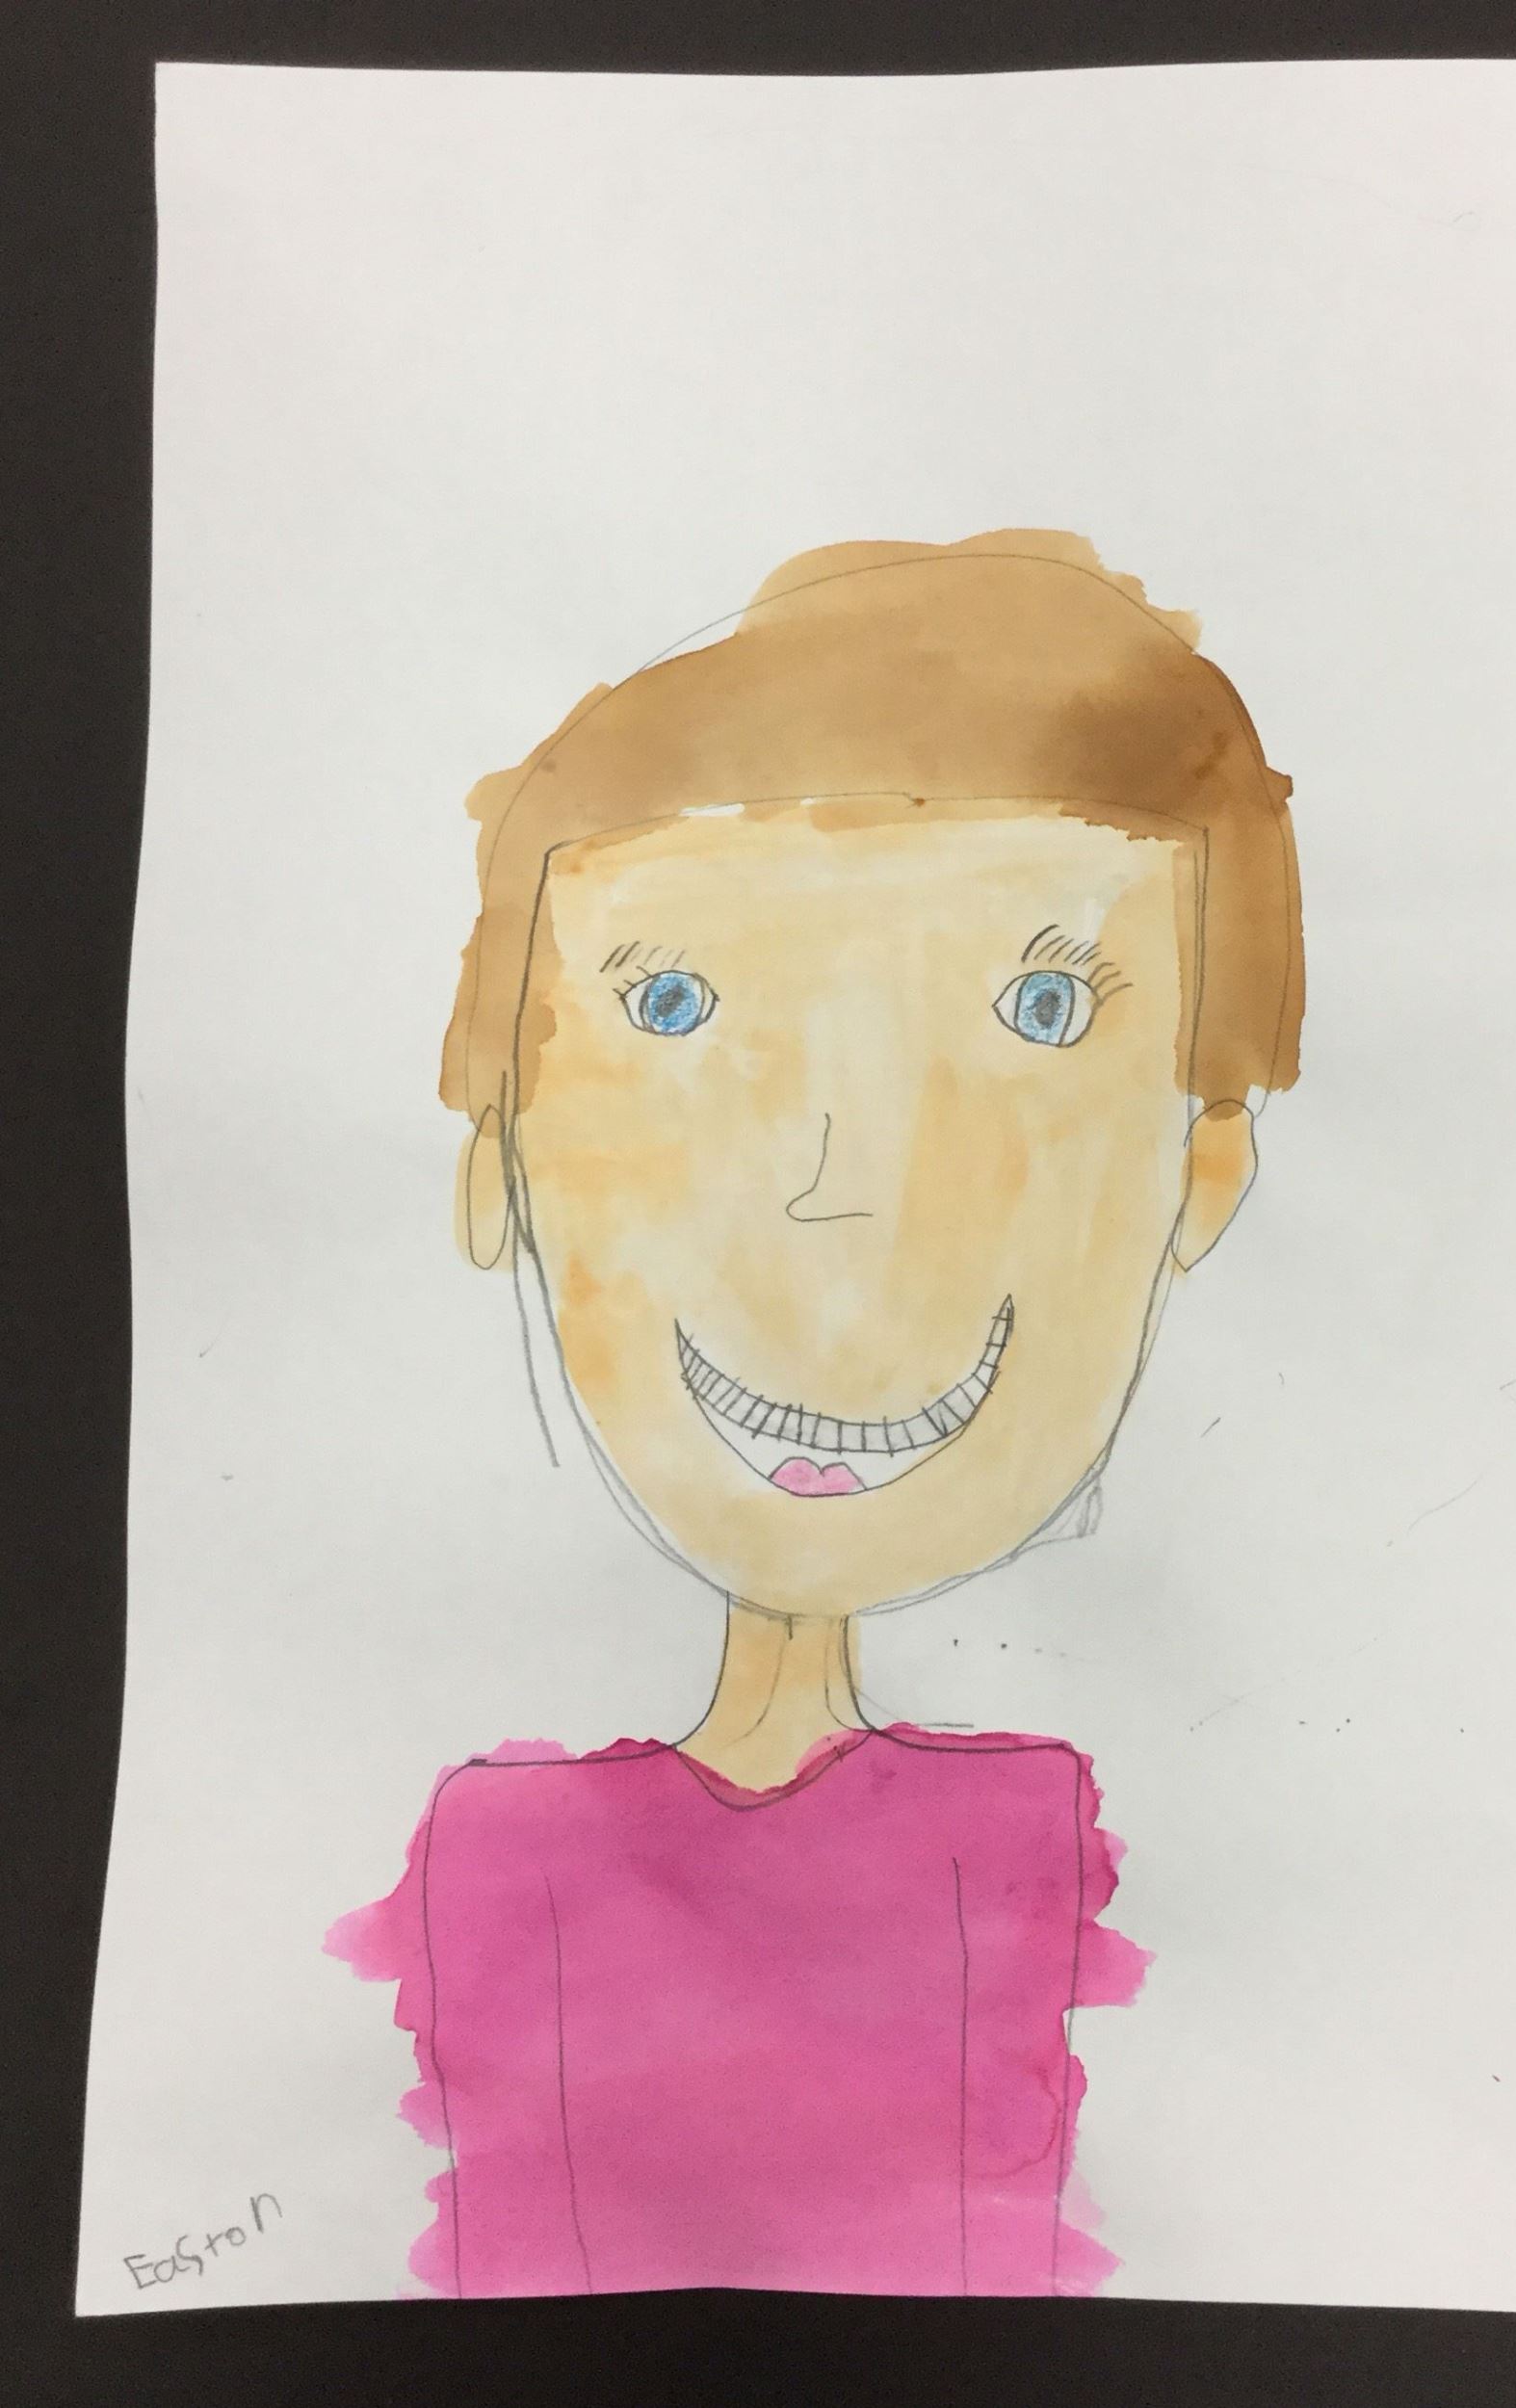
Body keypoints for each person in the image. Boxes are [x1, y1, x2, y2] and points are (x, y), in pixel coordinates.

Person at [328, 529, 1304, 2299]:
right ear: (499, 1149)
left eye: (1037, 1010)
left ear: (1206, 1161)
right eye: (672, 1005)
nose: (838, 1184)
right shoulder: (486, 1859)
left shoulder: (1120, 1862)